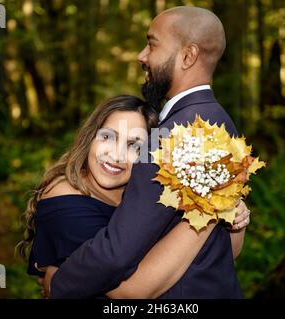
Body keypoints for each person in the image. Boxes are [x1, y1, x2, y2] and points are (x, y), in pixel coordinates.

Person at [40, 6, 249, 298]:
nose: (142, 56)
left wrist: (61, 285)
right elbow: (216, 250)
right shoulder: (221, 122)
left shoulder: (170, 135)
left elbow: (118, 253)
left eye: (151, 44)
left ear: (188, 56)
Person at [17, 95, 250, 298]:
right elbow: (130, 291)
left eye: (134, 146)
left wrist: (232, 217)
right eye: (108, 137)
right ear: (90, 138)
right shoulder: (64, 199)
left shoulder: (146, 195)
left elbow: (228, 253)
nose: (116, 155)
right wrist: (210, 205)